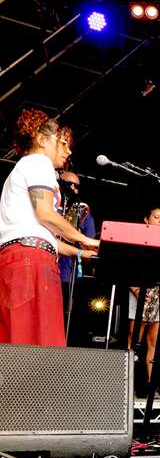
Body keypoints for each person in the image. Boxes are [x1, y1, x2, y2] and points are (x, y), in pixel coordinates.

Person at [0, 109, 99, 346]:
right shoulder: (37, 162)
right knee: (39, 350)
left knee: (22, 348)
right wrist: (90, 240)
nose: (68, 150)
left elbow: (42, 233)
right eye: (62, 142)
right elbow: (45, 214)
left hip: (24, 258)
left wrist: (81, 253)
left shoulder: (25, 167)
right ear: (41, 140)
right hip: (30, 262)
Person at [126, 207, 160, 383]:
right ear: (146, 220)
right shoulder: (136, 239)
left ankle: (151, 387)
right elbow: (126, 267)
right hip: (139, 292)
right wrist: (137, 290)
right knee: (133, 339)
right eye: (156, 217)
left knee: (154, 342)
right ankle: (127, 383)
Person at [58, 171, 96, 319]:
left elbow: (91, 246)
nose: (73, 188)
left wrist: (77, 237)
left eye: (76, 186)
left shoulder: (83, 213)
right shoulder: (50, 207)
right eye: (68, 184)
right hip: (44, 269)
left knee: (64, 316)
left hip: (69, 274)